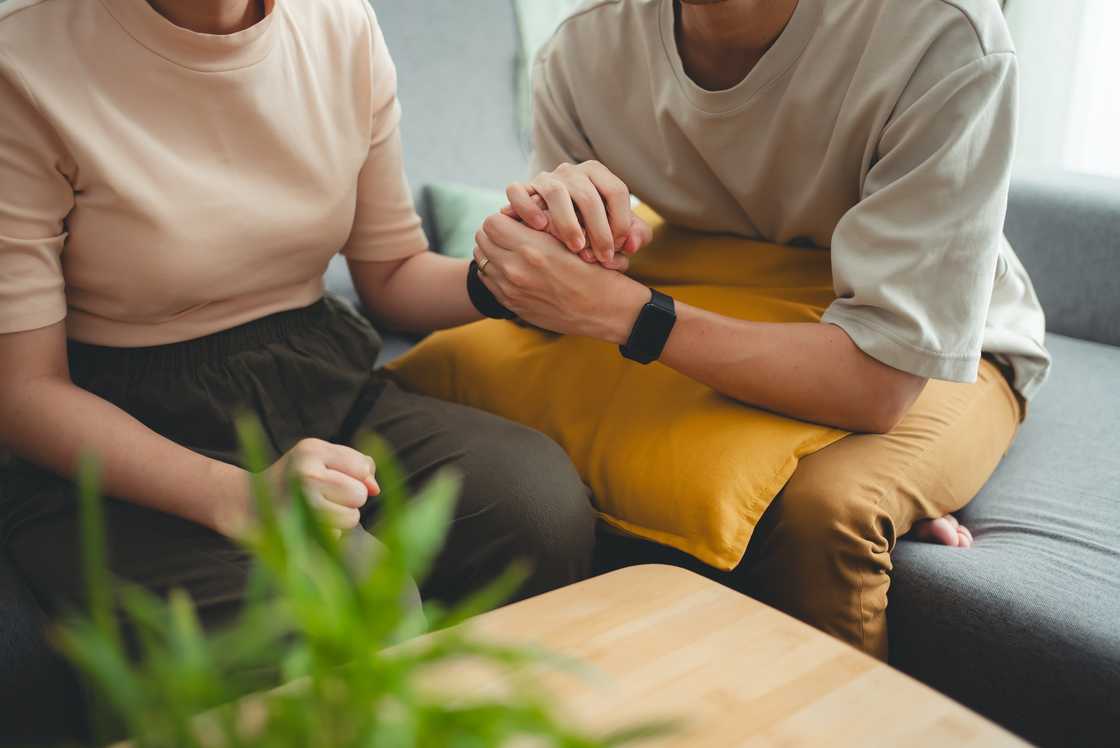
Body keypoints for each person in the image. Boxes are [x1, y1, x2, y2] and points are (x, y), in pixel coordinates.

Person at [0, 0, 602, 645]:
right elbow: (24, 390)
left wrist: (517, 273)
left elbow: (393, 274)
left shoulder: (339, 22)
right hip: (121, 426)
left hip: (317, 376)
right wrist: (236, 497)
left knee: (535, 508)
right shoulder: (25, 57)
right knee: (321, 612)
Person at [474, 0, 1051, 659]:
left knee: (826, 510)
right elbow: (548, 273)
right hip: (726, 287)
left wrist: (628, 314)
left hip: (934, 331)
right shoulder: (585, 46)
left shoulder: (940, 33)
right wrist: (558, 236)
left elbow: (878, 382)